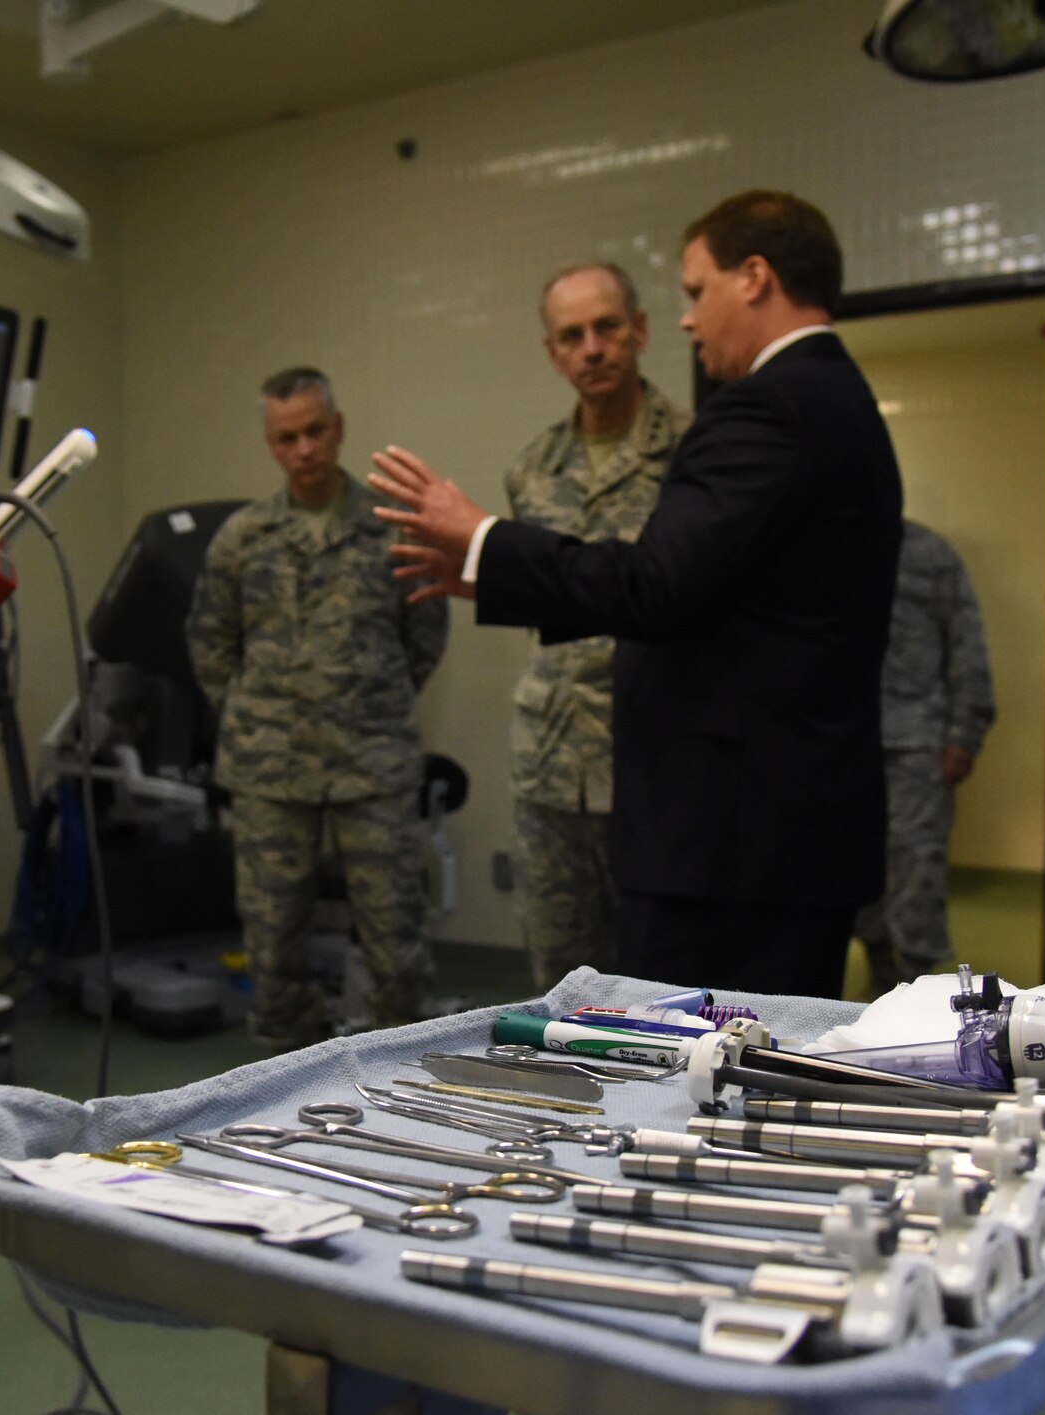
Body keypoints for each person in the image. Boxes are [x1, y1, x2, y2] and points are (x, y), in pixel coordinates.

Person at [369, 190, 903, 998]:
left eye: (695, 290)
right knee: (598, 1005)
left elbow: (656, 586)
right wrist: (489, 570)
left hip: (736, 837)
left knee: (686, 1062)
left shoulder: (761, 412)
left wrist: (484, 536)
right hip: (720, 814)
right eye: (570, 335)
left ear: (753, 278)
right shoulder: (830, 397)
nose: (691, 318)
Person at [186, 367, 450, 1048]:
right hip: (270, 769)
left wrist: (365, 702)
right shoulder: (242, 539)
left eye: (313, 431)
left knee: (397, 933)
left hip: (372, 763)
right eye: (286, 437)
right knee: (274, 942)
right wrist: (259, 713)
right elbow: (210, 641)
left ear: (337, 429)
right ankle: (282, 1069)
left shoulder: (394, 531)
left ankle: (406, 1073)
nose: (303, 448)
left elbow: (425, 635)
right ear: (270, 444)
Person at [503, 262, 689, 991]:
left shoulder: (694, 453)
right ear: (552, 352)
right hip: (550, 762)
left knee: (661, 978)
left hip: (655, 757)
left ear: (639, 330)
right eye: (571, 335)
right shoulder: (532, 469)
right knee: (561, 978)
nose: (592, 348)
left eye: (607, 327)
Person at [856, 521, 995, 991]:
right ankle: (878, 970)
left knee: (916, 869)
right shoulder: (823, 541)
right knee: (853, 868)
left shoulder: (928, 553)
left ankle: (916, 981)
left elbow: (965, 643)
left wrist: (965, 732)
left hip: (915, 741)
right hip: (840, 742)